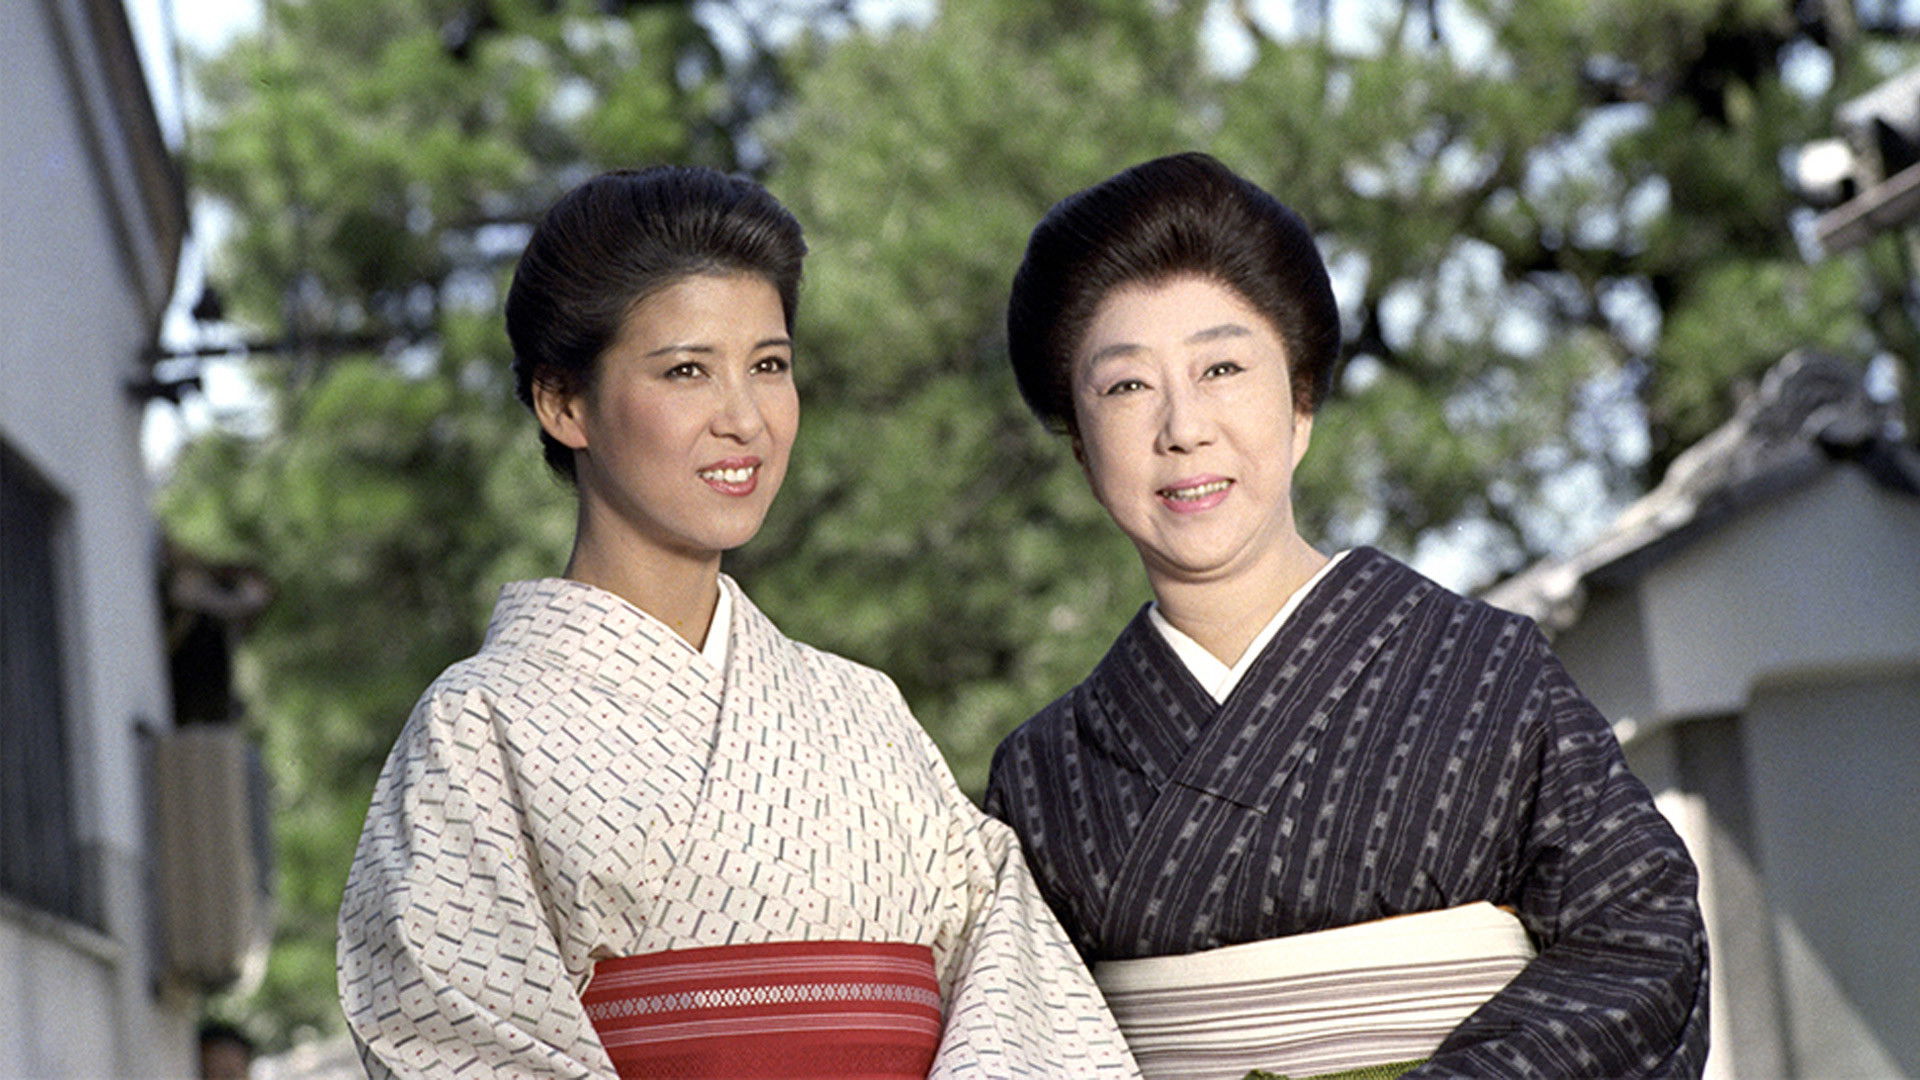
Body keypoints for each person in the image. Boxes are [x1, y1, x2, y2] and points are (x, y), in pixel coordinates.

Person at [337, 166, 1138, 1080]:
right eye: (687, 371)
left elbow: (1019, 996)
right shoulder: (479, 729)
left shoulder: (864, 712)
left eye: (769, 366)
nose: (746, 420)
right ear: (565, 404)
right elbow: (451, 1038)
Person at [984, 152, 1708, 1079]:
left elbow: (1643, 946)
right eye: (1126, 386)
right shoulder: (1043, 776)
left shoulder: (1488, 674)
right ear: (1082, 449)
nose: (1182, 427)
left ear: (1300, 406)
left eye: (1221, 368)